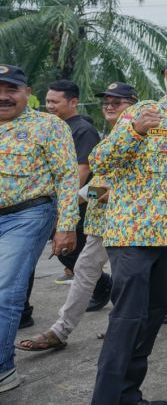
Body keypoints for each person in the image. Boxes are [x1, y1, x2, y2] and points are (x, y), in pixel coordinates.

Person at [89, 50, 167, 405]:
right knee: (128, 319)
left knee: (153, 317)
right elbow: (101, 160)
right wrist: (134, 130)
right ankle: (106, 399)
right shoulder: (143, 112)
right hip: (131, 234)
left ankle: (129, 395)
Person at [16, 82, 139, 353]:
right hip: (101, 221)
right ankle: (60, 330)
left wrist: (80, 198)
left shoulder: (143, 138)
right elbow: (103, 183)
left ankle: (123, 328)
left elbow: (121, 184)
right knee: (84, 271)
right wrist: (73, 202)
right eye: (106, 101)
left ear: (134, 106)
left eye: (117, 102)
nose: (109, 106)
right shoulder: (112, 137)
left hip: (131, 224)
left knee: (126, 280)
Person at [0, 64, 78, 395]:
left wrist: (66, 226)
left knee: (5, 291)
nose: (3, 96)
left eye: (11, 89)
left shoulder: (47, 126)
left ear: (27, 92)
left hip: (28, 214)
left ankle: (3, 369)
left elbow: (67, 176)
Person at [45, 79, 102, 284]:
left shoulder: (83, 130)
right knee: (64, 250)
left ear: (73, 102)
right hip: (57, 199)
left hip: (83, 199)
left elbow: (83, 170)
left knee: (70, 249)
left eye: (55, 102)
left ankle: (101, 284)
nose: (50, 106)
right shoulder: (52, 127)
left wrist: (67, 205)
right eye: (48, 101)